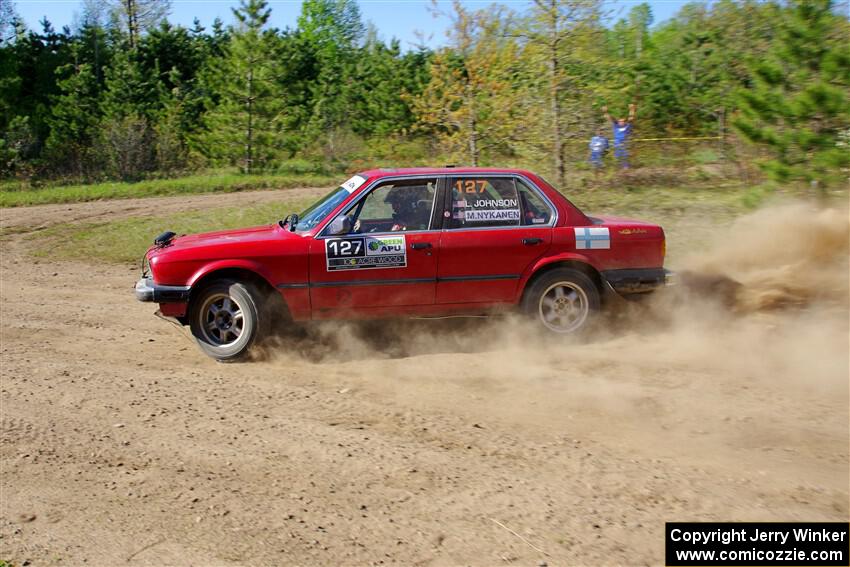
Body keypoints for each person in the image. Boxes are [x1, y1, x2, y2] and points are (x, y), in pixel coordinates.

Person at [602, 103, 636, 169]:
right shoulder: (616, 126)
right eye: (620, 121)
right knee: (617, 159)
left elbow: (631, 118)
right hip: (617, 145)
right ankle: (618, 171)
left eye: (622, 121)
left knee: (625, 157)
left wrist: (632, 109)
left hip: (624, 144)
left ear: (624, 122)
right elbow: (609, 118)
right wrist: (605, 111)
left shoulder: (627, 126)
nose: (621, 122)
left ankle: (626, 169)